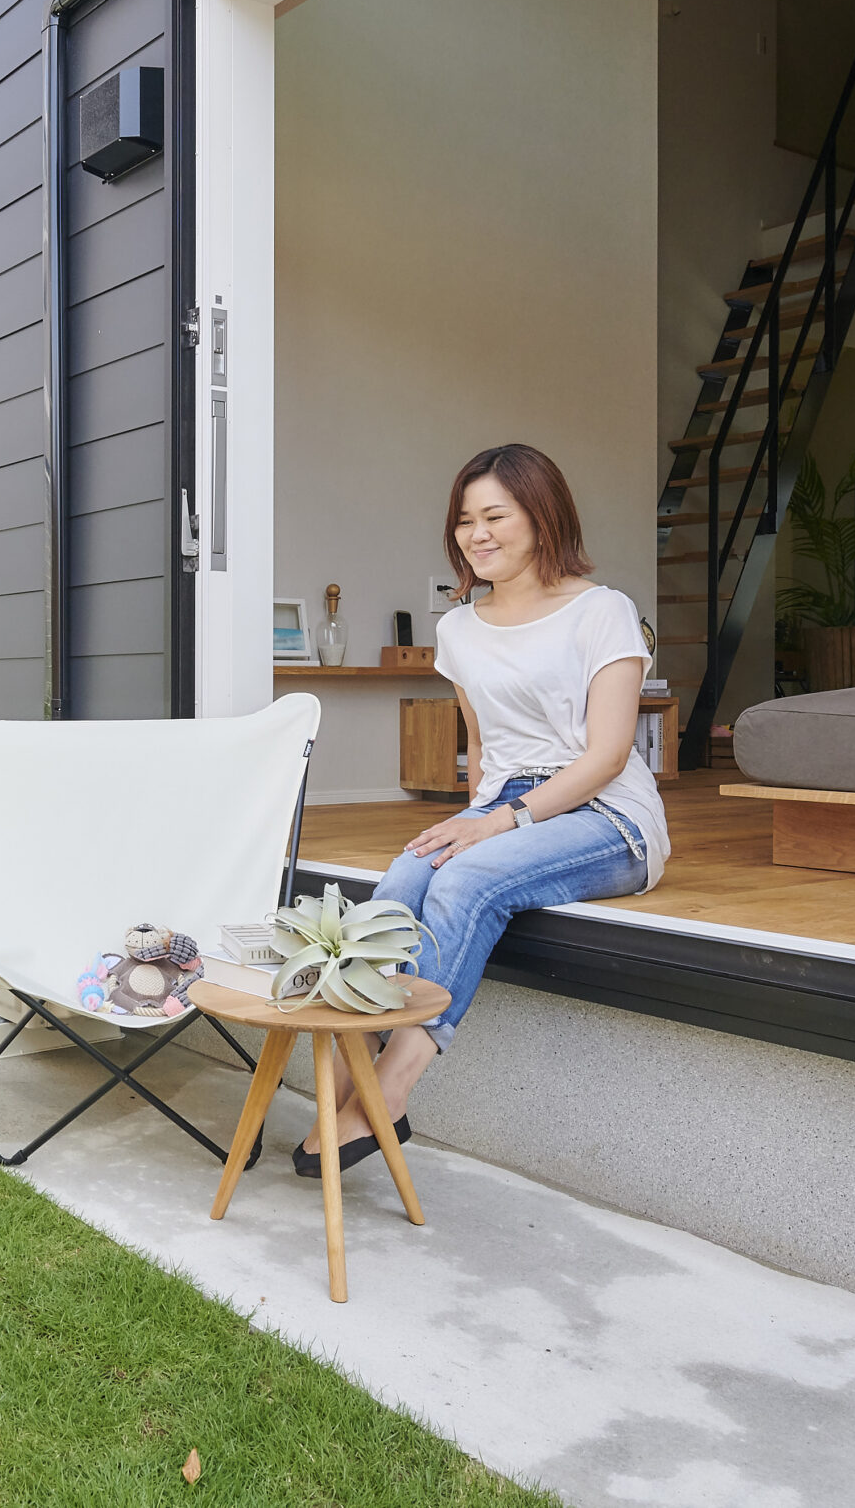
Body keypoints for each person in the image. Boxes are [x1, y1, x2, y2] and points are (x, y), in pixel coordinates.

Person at [297, 442, 669, 1176]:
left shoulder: (603, 611)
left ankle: (390, 1089)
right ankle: (354, 1064)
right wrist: (475, 816)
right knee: (406, 880)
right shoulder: (460, 627)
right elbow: (484, 745)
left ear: (542, 515)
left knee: (468, 882)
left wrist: (499, 826)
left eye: (495, 514)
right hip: (505, 797)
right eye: (465, 519)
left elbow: (608, 754)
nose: (477, 533)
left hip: (607, 814)